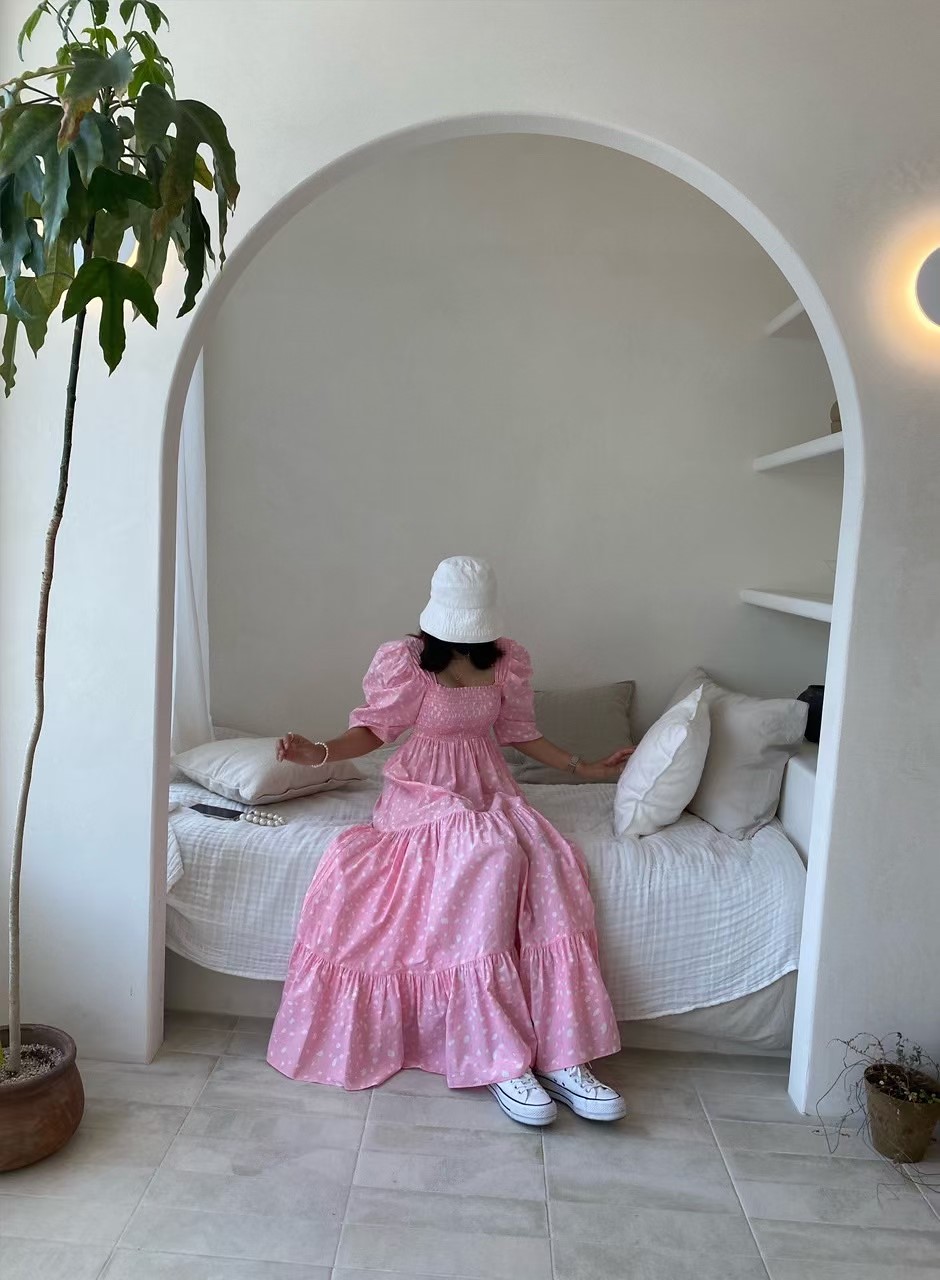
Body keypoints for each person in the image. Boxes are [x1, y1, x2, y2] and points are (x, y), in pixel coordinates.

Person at [267, 557, 632, 1126]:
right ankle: (500, 1058)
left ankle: (563, 1057)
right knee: (492, 853)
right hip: (423, 788)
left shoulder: (505, 659)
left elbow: (520, 733)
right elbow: (375, 730)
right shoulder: (408, 660)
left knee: (549, 861)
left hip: (486, 783)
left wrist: (583, 768)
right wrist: (320, 752)